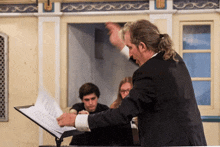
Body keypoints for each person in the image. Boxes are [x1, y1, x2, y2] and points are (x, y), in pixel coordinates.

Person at [57, 19, 207, 146]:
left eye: (130, 47)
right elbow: (151, 68)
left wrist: (78, 120)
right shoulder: (173, 59)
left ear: (142, 46)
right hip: (193, 140)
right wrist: (121, 45)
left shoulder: (148, 73)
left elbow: (122, 114)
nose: (129, 54)